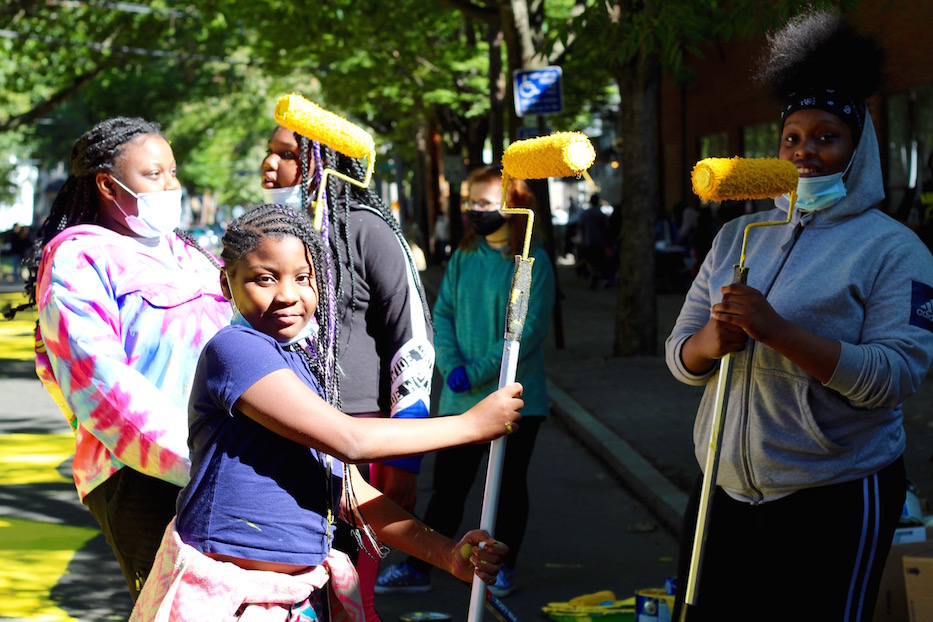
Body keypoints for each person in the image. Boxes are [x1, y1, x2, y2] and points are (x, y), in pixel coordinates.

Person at [664, 11, 933, 621]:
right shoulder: (737, 234)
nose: (804, 151)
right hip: (721, 488)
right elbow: (681, 354)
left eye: (825, 137)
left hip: (834, 490)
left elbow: (895, 376)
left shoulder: (896, 250)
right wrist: (710, 341)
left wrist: (776, 331)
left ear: (857, 151)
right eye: (792, 137)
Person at [130, 204, 523, 620]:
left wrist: (447, 555)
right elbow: (351, 441)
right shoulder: (235, 350)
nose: (287, 294)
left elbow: (350, 493)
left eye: (302, 278)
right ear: (226, 284)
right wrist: (469, 426)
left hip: (297, 599)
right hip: (228, 598)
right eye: (264, 279)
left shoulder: (302, 364)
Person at [2, 117, 231, 600]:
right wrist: (206, 464)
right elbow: (102, 387)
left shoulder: (189, 254)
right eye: (155, 175)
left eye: (173, 172)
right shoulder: (77, 259)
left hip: (229, 466)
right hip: (146, 478)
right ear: (108, 183)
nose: (172, 186)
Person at [260, 117, 434, 621]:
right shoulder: (264, 234)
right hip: (284, 436)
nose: (270, 164)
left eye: (286, 153)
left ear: (323, 161)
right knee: (291, 594)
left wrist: (407, 455)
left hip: (365, 441)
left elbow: (413, 338)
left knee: (352, 595)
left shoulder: (366, 227)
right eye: (268, 152)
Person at [376, 165, 556, 598]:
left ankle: (503, 566)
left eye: (485, 203)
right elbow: (444, 313)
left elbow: (526, 331)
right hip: (460, 398)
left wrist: (476, 372)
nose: (476, 211)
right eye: (471, 203)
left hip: (514, 398)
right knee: (450, 485)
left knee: (508, 487)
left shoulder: (533, 262)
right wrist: (450, 365)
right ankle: (421, 565)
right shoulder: (463, 255)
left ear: (514, 206)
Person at [578, 193, 608, 289]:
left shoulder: (586, 214)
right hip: (599, 241)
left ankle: (593, 275)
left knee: (590, 260)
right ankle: (595, 275)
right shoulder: (601, 215)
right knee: (598, 261)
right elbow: (605, 228)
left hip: (589, 241)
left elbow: (582, 227)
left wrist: (582, 239)